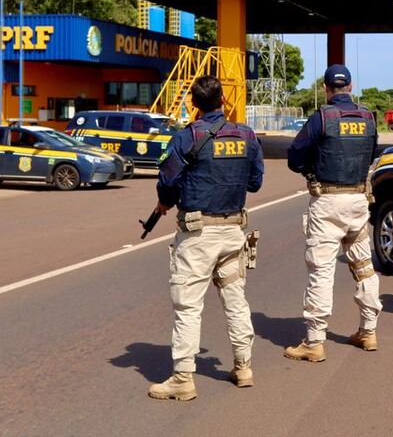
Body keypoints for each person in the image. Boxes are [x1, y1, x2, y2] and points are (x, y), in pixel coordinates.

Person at [149, 75, 264, 401]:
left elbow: (168, 180)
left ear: (193, 104)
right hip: (232, 232)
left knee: (188, 307)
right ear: (224, 100)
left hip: (198, 235)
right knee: (235, 299)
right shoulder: (246, 135)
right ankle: (244, 367)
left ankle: (183, 378)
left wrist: (165, 201)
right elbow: (255, 182)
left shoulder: (187, 137)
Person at [284, 64, 381, 362]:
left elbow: (294, 156)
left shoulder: (322, 117)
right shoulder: (368, 118)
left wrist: (311, 165)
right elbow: (372, 152)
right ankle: (368, 330)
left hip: (327, 201)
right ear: (350, 87)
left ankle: (314, 341)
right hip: (358, 200)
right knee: (364, 265)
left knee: (321, 270)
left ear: (326, 89)